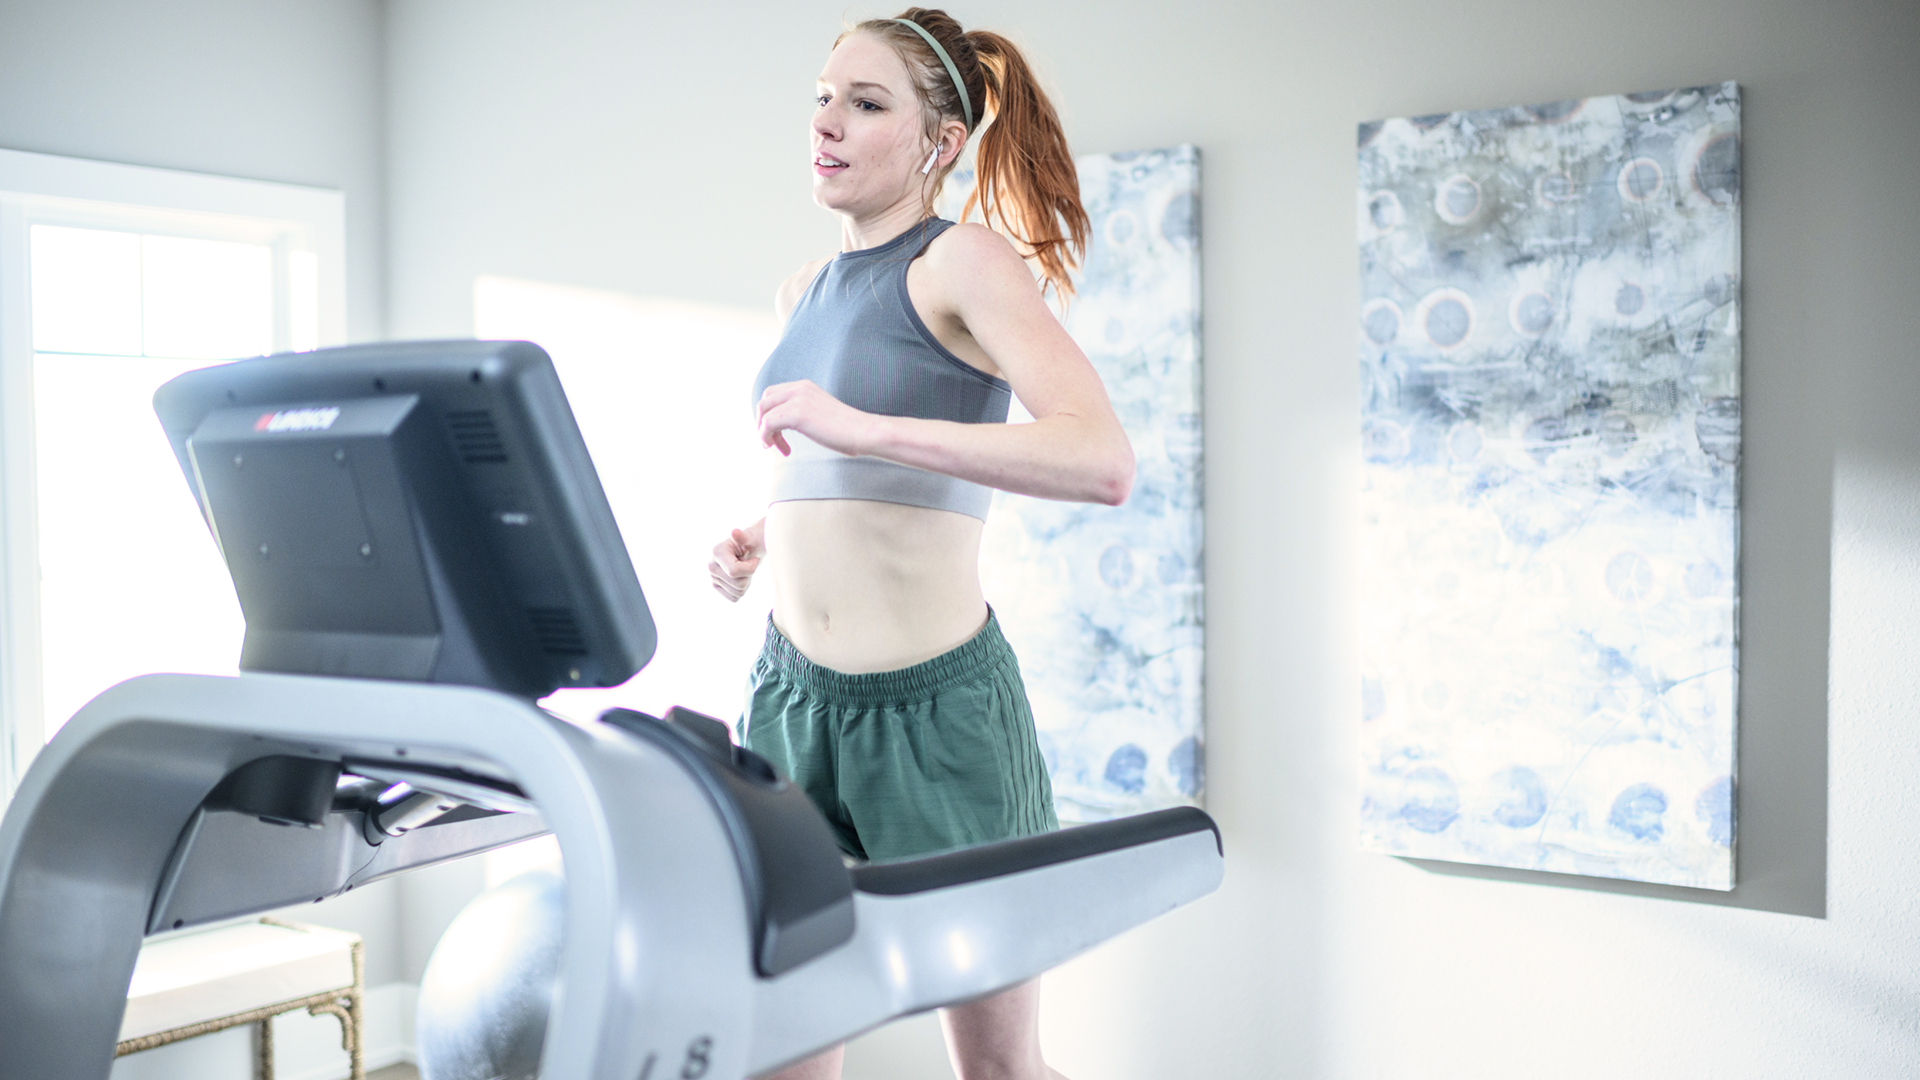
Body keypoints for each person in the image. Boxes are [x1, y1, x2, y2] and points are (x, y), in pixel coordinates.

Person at [709, 9, 1132, 1079]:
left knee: (997, 1072)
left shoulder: (965, 264)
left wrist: (864, 427)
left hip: (935, 719)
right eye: (823, 95)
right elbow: (834, 470)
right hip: (791, 705)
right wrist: (760, 538)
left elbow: (1100, 460)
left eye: (866, 103)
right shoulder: (803, 287)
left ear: (940, 145)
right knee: (782, 1055)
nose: (829, 122)